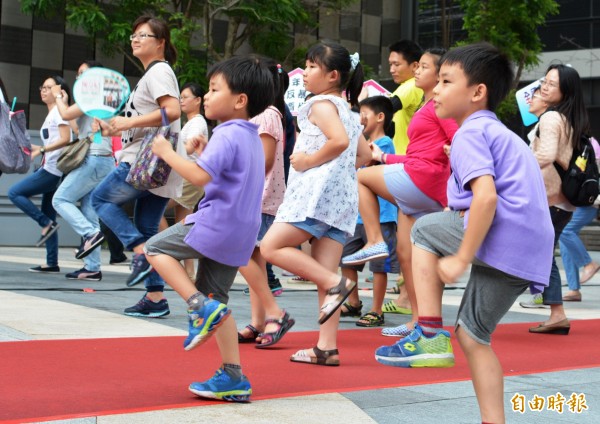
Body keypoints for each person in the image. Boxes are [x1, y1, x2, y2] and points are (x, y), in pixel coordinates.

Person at [373, 43, 554, 424]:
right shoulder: (496, 132)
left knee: (424, 229)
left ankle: (428, 332)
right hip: (528, 250)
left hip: (505, 233)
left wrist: (460, 256)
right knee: (473, 337)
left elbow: (485, 198)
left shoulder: (473, 132)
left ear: (477, 92)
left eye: (445, 80)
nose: (435, 89)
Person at [144, 55, 274, 401]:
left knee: (155, 249)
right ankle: (233, 376)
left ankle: (197, 304)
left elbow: (201, 177)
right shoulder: (249, 136)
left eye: (215, 89)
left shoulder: (226, 133)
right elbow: (227, 177)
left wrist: (167, 152)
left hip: (216, 223)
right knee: (220, 301)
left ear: (239, 100)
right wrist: (204, 152)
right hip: (241, 232)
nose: (208, 96)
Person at [260, 42, 371, 366]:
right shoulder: (348, 112)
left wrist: (308, 161)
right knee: (325, 271)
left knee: (270, 248)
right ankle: (326, 347)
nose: (305, 73)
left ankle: (336, 285)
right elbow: (362, 154)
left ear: (332, 75)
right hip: (340, 201)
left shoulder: (319, 104)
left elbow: (339, 141)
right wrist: (335, 171)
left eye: (311, 67)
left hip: (315, 197)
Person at [342, 49, 458, 338]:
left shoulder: (440, 106)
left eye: (425, 67)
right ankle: (420, 321)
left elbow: (458, 138)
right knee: (409, 256)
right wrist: (384, 158)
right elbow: (416, 155)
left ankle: (375, 240)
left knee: (363, 177)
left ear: (442, 75)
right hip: (418, 177)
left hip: (425, 180)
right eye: (417, 67)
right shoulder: (426, 105)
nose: (417, 71)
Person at [90, 15, 185, 317]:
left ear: (161, 43)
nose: (135, 39)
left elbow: (171, 110)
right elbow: (146, 122)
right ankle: (155, 298)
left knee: (101, 199)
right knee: (148, 228)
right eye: (134, 34)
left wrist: (129, 121)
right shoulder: (153, 75)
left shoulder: (158, 71)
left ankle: (139, 252)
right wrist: (113, 129)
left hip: (144, 162)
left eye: (143, 35)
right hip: (158, 163)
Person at [525, 64, 591, 334]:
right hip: (562, 201)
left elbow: (548, 154)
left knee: (534, 252)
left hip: (548, 198)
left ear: (566, 90)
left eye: (552, 83)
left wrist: (517, 163)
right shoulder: (569, 119)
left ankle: (555, 310)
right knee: (541, 254)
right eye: (545, 80)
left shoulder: (552, 118)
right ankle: (555, 311)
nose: (545, 86)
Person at [237, 59, 295, 346]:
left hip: (258, 198)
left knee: (241, 254)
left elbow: (265, 159)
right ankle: (259, 321)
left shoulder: (267, 114)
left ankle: (274, 314)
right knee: (253, 262)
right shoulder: (267, 114)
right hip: (257, 197)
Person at [50, 60, 115, 282]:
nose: (79, 78)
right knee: (89, 212)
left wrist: (59, 97)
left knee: (60, 199)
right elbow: (78, 129)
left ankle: (90, 234)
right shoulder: (100, 98)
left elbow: (66, 115)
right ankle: (92, 268)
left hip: (95, 160)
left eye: (83, 74)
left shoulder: (93, 96)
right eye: (78, 74)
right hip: (102, 161)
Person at [339, 95, 400, 327]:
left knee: (378, 266)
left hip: (381, 216)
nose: (360, 119)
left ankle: (377, 309)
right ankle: (353, 302)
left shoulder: (384, 144)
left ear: (380, 117)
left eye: (364, 114)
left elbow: (364, 164)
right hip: (356, 216)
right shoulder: (363, 142)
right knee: (347, 259)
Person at [8, 75, 72, 272]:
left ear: (60, 92)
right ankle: (52, 262)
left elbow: (66, 139)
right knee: (49, 213)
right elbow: (50, 145)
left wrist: (42, 150)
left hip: (52, 170)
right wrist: (26, 145)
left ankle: (45, 224)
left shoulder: (59, 113)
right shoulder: (52, 114)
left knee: (15, 193)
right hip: (52, 168)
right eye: (42, 87)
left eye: (49, 87)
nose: (44, 90)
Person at [158, 82, 209, 278]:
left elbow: (189, 148)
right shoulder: (191, 122)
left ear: (198, 100)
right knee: (184, 225)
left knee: (154, 211)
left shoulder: (197, 122)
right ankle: (188, 271)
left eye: (185, 96)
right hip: (189, 176)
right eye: (180, 97)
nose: (181, 100)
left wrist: (165, 149)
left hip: (190, 177)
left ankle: (169, 254)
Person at [388, 40, 423, 155]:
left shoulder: (411, 85)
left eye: (396, 64)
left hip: (402, 157)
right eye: (390, 64)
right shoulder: (411, 85)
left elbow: (384, 109)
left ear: (414, 65)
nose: (391, 70)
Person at [560, 205, 599, 301]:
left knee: (565, 231)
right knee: (566, 243)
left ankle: (589, 264)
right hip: (573, 203)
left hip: (587, 202)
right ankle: (574, 289)